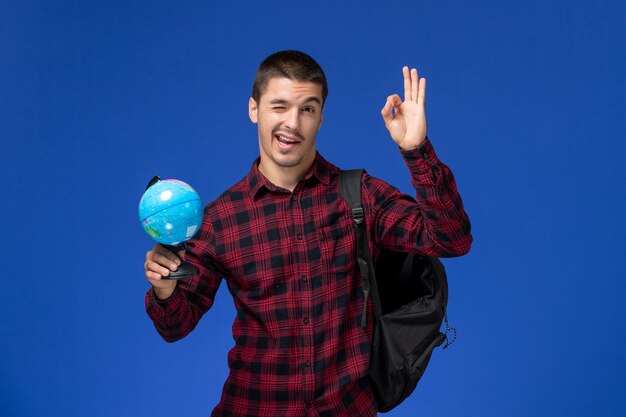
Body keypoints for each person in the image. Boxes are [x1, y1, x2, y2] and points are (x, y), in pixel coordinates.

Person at [144, 50, 472, 417]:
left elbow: (451, 239)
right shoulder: (221, 218)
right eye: (279, 107)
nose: (293, 124)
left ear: (321, 117)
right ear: (254, 109)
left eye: (308, 109)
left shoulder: (359, 195)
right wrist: (165, 288)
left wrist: (415, 150)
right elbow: (174, 326)